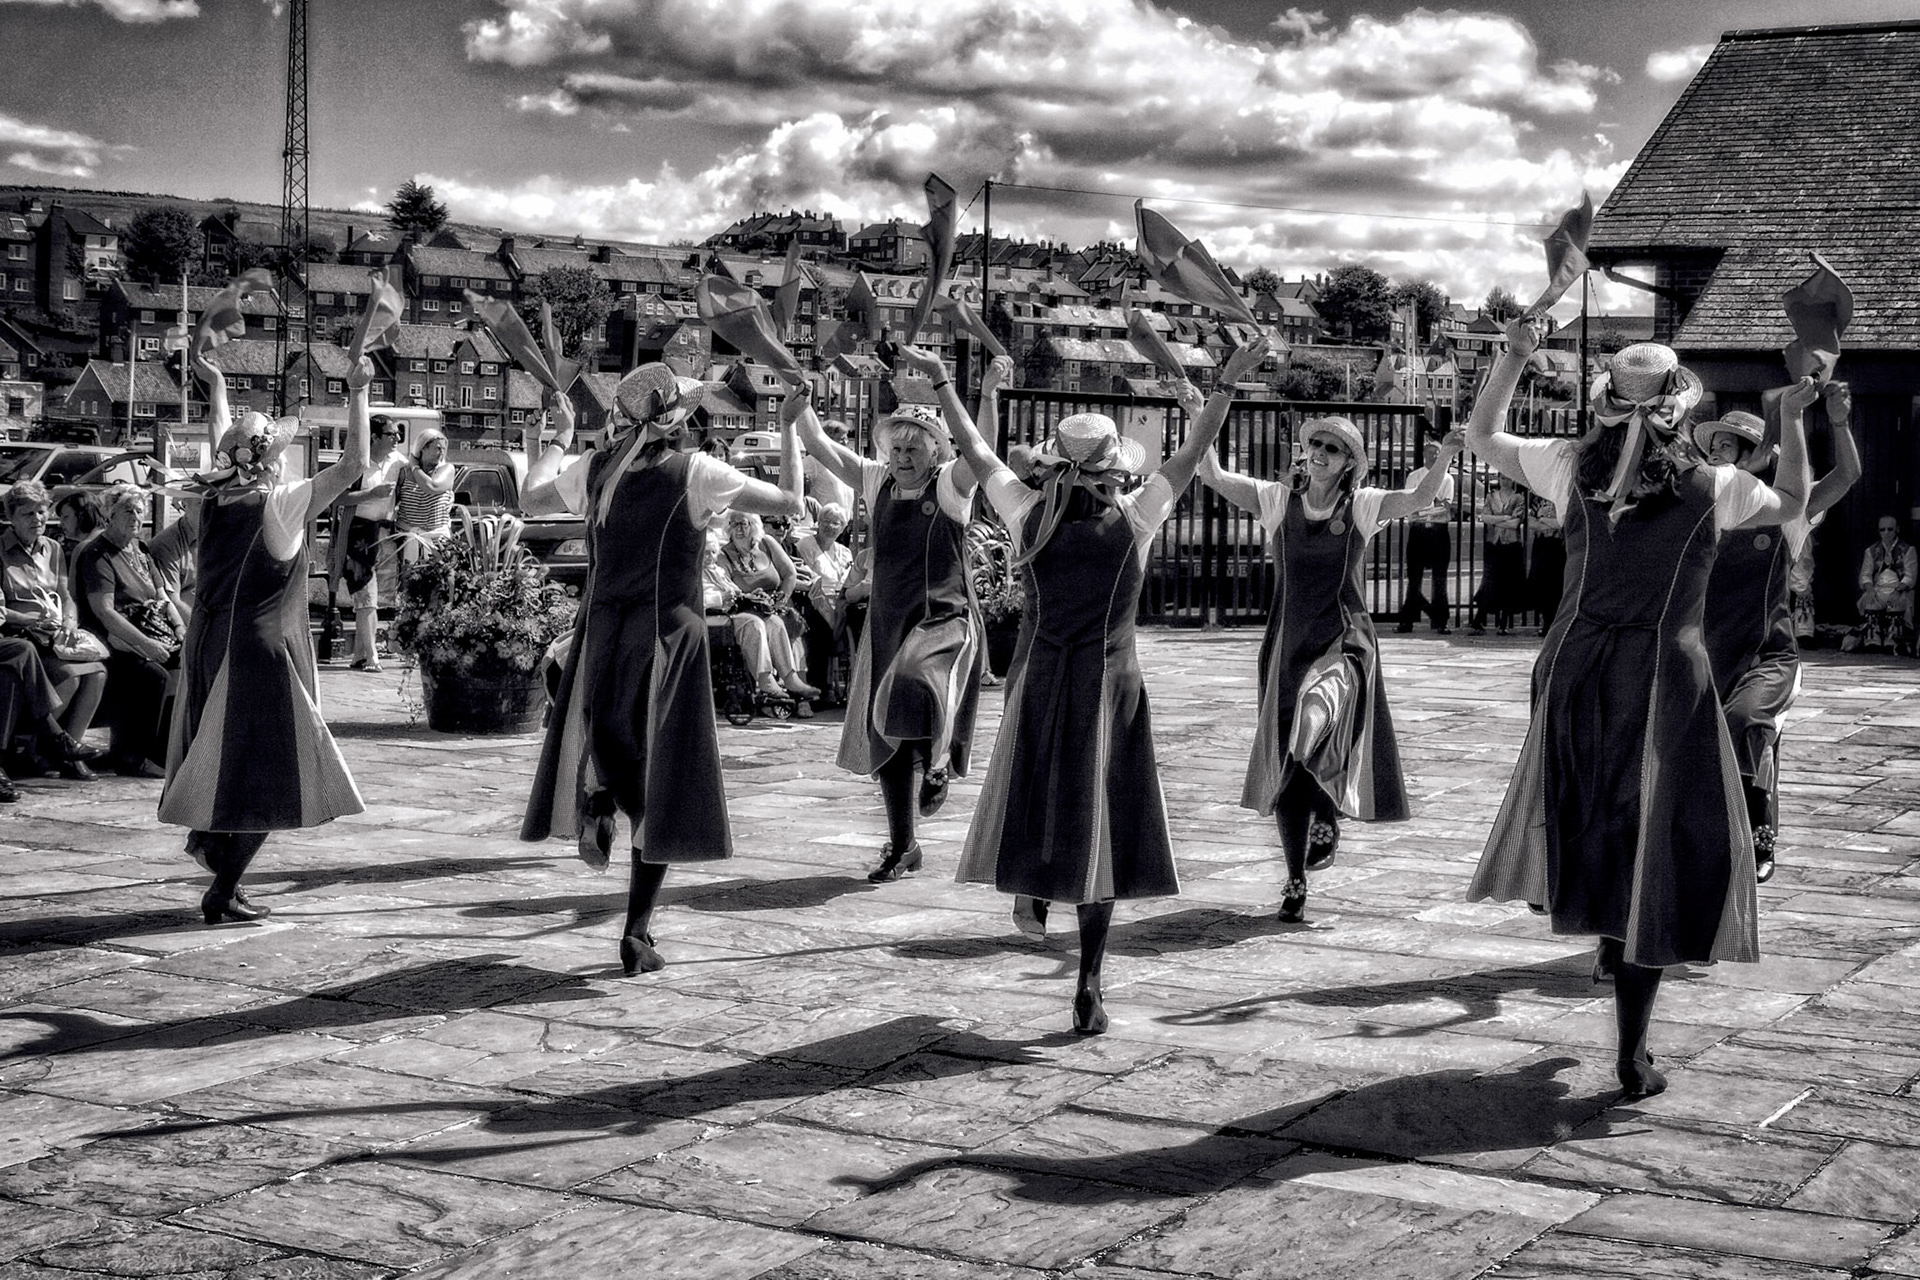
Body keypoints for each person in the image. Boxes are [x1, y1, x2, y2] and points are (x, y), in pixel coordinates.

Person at [1466, 319, 1813, 1099]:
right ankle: (1632, 1050)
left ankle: (1589, 918)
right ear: (1681, 405)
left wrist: (1515, 358)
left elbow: (1482, 433)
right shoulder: (1715, 485)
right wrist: (1790, 415)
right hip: (1665, 678)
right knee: (1663, 849)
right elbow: (1794, 499)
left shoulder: (1566, 466)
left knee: (1596, 824)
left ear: (1604, 400)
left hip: (1573, 669)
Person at [940, 345, 1245, 1034]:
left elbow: (976, 448)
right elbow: (1192, 454)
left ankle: (1034, 895)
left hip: (1043, 680)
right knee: (1101, 827)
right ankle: (1089, 981)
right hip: (1111, 685)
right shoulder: (1136, 518)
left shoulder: (1027, 513)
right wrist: (1223, 382)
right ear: (1112, 468)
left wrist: (939, 380)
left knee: (1039, 798)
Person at [520, 366, 805, 976]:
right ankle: (636, 927)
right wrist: (788, 431)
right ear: (680, 419)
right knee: (664, 788)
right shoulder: (698, 472)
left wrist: (556, 436)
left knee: (620, 754)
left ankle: (600, 793)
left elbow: (528, 496)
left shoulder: (595, 471)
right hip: (667, 640)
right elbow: (792, 502)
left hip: (600, 638)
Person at [1202, 411, 1460, 923]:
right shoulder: (1278, 501)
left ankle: (1329, 809)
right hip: (1286, 646)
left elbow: (1417, 501)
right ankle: (1295, 877)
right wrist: (1198, 415)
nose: (1319, 452)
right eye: (1315, 443)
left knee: (1313, 722)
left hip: (1344, 643)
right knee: (1288, 768)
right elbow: (1211, 473)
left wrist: (1447, 455)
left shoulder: (1361, 506)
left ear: (1349, 464)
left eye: (1333, 448)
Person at [160, 350, 370, 924]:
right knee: (277, 774)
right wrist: (356, 393)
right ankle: (224, 887)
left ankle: (225, 879)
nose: (282, 462)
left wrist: (219, 384)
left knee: (221, 764)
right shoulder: (279, 506)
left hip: (208, 648)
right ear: (266, 465)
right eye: (276, 454)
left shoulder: (210, 500)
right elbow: (353, 466)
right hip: (261, 656)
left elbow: (220, 437)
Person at [799, 384, 984, 884]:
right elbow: (818, 444)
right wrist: (798, 398)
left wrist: (979, 392)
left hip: (942, 615)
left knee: (914, 681)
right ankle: (903, 846)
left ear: (936, 451)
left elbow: (980, 450)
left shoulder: (949, 485)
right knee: (887, 734)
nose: (903, 458)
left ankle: (939, 764)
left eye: (914, 449)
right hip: (887, 620)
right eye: (896, 449)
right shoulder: (876, 480)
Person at [1696, 390, 1858, 883]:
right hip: (1703, 658)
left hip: (1767, 658)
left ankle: (1758, 833)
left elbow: (1847, 476)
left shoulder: (1786, 514)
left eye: (1730, 445)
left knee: (1745, 722)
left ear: (1756, 456)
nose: (1717, 453)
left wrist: (1838, 423)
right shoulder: (1699, 511)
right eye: (1715, 445)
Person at [75, 484, 186, 779]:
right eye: (127, 510)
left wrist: (180, 629)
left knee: (187, 666)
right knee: (154, 676)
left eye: (139, 510)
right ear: (110, 514)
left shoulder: (141, 550)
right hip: (115, 643)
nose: (135, 516)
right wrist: (146, 644)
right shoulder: (98, 554)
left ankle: (164, 753)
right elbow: (104, 612)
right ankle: (132, 757)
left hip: (156, 632)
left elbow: (163, 597)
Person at [0, 479, 107, 778]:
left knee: (97, 672)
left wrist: (70, 621)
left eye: (42, 512)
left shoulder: (53, 548)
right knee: (69, 678)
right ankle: (46, 745)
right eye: (28, 513)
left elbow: (65, 595)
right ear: (11, 517)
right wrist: (30, 620)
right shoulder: (1, 550)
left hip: (52, 634)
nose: (37, 520)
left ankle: (68, 754)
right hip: (19, 633)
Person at [716, 509, 818, 711]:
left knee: (778, 624)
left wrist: (780, 601)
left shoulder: (767, 543)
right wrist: (750, 597)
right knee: (755, 624)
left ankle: (790, 678)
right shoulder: (723, 555)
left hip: (775, 606)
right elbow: (726, 587)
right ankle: (765, 679)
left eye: (743, 523)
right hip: (742, 607)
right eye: (733, 524)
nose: (738, 529)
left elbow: (789, 574)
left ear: (753, 525)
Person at [338, 414, 409, 672]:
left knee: (373, 598)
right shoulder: (356, 462)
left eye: (398, 433)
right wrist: (371, 494)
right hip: (358, 534)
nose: (397, 438)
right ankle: (371, 657)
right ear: (375, 437)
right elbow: (337, 497)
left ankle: (359, 655)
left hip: (385, 534)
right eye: (392, 434)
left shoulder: (399, 463)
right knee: (366, 595)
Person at [1394, 438, 1456, 634]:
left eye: (1437, 452)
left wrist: (1422, 510)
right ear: (1424, 455)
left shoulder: (1447, 478)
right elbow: (1409, 506)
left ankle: (1441, 621)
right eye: (1430, 452)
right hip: (1418, 532)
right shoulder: (1414, 476)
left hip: (1438, 532)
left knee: (1440, 579)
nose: (1434, 456)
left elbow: (1445, 508)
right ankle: (1407, 621)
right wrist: (1429, 509)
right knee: (1414, 578)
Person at [794, 501, 853, 700]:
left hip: (841, 601)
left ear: (843, 527)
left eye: (835, 523)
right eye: (825, 521)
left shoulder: (845, 552)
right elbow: (806, 578)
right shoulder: (805, 546)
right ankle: (818, 690)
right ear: (818, 522)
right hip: (813, 600)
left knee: (859, 622)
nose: (829, 526)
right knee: (820, 629)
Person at [1468, 472, 1528, 635]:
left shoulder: (1519, 498)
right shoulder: (1491, 496)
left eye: (1508, 478)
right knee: (1489, 582)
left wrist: (1497, 519)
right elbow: (1485, 517)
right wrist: (1504, 518)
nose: (1505, 481)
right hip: (1494, 544)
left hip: (1512, 545)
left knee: (1509, 584)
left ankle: (1504, 623)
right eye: (1502, 478)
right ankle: (1478, 621)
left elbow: (1515, 522)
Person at [1852, 514, 1916, 653]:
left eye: (1890, 529)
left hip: (1899, 590)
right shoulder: (1871, 551)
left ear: (1897, 529)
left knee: (1898, 602)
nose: (1886, 533)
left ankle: (1892, 640)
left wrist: (1898, 590)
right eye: (1882, 529)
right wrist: (1869, 589)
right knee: (1869, 601)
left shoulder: (1908, 550)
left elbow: (1910, 576)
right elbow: (1865, 575)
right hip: (1877, 589)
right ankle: (1872, 640)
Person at [394, 426, 456, 565]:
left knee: (436, 582)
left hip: (437, 541)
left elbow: (431, 487)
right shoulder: (404, 473)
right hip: (408, 538)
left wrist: (415, 466)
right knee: (408, 581)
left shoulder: (447, 470)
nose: (441, 452)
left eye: (443, 449)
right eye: (437, 448)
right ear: (423, 448)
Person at [1525, 488, 1565, 635]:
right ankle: (1546, 622)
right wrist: (1550, 523)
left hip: (1559, 546)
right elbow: (1531, 522)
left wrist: (1542, 520)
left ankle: (1557, 623)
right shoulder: (1538, 500)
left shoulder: (1563, 500)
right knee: (1542, 584)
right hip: (1541, 546)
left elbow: (1563, 522)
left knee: (1557, 585)